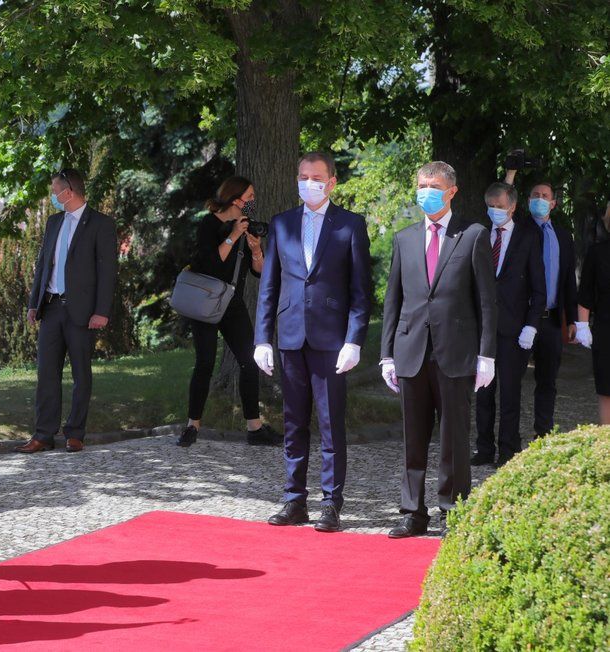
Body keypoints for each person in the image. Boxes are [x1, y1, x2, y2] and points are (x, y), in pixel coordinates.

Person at [254, 152, 371, 532]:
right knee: (293, 422)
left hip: (330, 339)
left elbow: (360, 292)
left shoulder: (349, 225)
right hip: (290, 336)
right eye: (303, 176)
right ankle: (294, 500)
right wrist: (262, 338)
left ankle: (331, 503)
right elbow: (269, 286)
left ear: (332, 182)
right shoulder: (282, 223)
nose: (309, 183)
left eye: (317, 177)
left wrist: (354, 340)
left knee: (330, 423)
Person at [380, 161, 497, 539]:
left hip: (456, 351)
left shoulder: (474, 235)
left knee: (453, 438)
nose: (425, 191)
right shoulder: (405, 238)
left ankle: (452, 510)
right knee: (413, 438)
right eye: (420, 184)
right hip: (411, 349)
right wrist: (386, 354)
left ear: (451, 191)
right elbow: (392, 302)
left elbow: (486, 302)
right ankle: (413, 512)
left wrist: (486, 354)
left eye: (433, 184)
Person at [17, 169, 119, 454]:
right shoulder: (53, 222)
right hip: (51, 308)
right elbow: (43, 264)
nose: (53, 196)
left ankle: (75, 433)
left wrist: (102, 311)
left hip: (83, 312)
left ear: (69, 192)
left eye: (55, 191)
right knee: (46, 373)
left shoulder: (101, 224)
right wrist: (34, 303)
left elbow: (107, 271)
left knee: (80, 374)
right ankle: (43, 434)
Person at [178, 175, 282, 449]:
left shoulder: (245, 226)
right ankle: (192, 425)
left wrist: (256, 249)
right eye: (249, 197)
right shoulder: (209, 223)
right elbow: (209, 264)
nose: (252, 202)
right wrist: (233, 235)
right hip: (205, 301)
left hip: (231, 302)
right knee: (205, 362)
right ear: (235, 199)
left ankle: (254, 427)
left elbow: (258, 272)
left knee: (249, 359)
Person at [472, 183, 546, 467]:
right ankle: (484, 448)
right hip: (481, 327)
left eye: (500, 206)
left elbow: (539, 286)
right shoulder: (479, 234)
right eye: (490, 205)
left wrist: (532, 324)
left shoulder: (528, 237)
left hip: (514, 328)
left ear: (513, 206)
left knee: (510, 392)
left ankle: (508, 449)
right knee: (483, 391)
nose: (495, 211)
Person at [505, 168, 581, 437]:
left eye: (544, 196)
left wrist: (573, 320)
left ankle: (543, 434)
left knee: (547, 381)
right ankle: (509, 440)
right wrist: (510, 177)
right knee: (512, 381)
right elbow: (503, 203)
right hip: (521, 319)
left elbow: (568, 281)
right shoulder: (519, 230)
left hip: (550, 320)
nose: (539, 199)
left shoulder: (563, 236)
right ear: (527, 201)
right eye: (535, 195)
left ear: (553, 203)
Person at [577, 222, 610, 424]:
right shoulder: (597, 253)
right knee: (607, 390)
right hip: (606, 330)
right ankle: (607, 446)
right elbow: (586, 292)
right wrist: (582, 326)